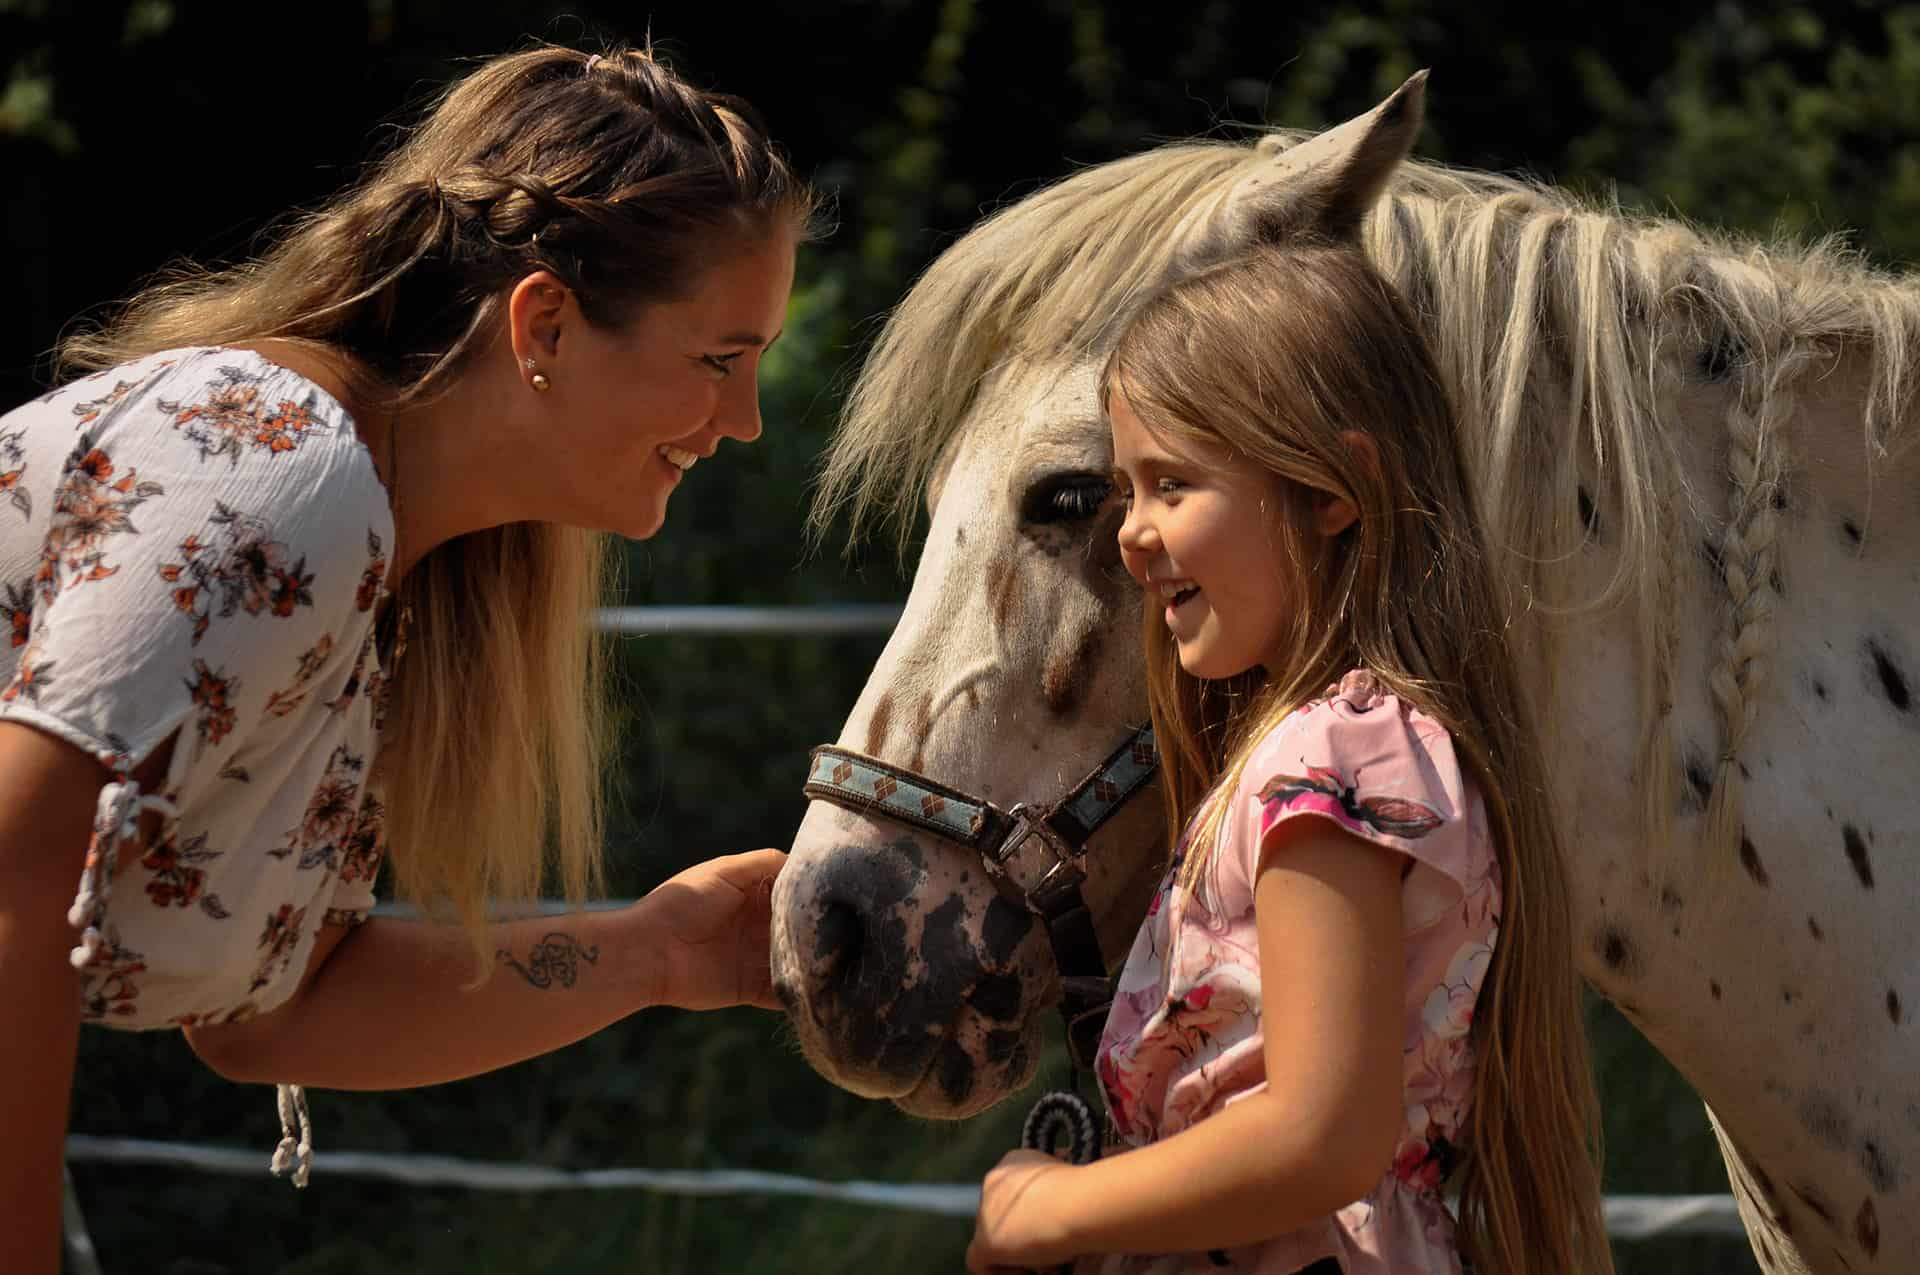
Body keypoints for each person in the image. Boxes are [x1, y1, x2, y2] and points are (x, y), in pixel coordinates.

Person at [0, 41, 816, 1271]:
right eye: (719, 359)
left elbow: (276, 1012)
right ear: (542, 321)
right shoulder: (283, 471)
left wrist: (658, 955)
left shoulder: (368, 555)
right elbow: (12, 867)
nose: (747, 422)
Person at [966, 244, 1614, 1274]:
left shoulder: (1337, 758)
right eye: (1126, 490)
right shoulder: (1343, 750)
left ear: (1335, 490)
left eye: (1171, 483)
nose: (1132, 536)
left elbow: (1319, 1139)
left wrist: (1051, 1211)